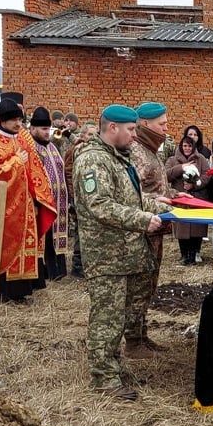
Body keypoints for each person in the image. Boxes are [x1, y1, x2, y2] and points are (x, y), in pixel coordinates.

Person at [73, 105, 172, 401]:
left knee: (119, 316)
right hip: (106, 255)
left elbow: (136, 199)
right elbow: (100, 205)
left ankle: (113, 367)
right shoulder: (93, 160)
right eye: (130, 130)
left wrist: (169, 209)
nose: (134, 135)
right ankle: (103, 378)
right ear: (112, 128)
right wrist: (143, 220)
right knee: (107, 318)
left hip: (125, 252)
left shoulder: (117, 158)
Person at [0, 99, 56, 303]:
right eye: (14, 120)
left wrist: (40, 196)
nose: (18, 124)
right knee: (4, 244)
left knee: (26, 244)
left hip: (26, 203)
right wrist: (16, 162)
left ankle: (23, 290)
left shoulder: (21, 137)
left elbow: (33, 166)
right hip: (2, 207)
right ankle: (5, 291)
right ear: (2, 120)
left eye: (20, 120)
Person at [127, 101, 175, 355]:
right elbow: (133, 193)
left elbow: (158, 189)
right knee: (139, 285)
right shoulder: (137, 152)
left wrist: (178, 197)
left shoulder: (152, 149)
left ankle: (142, 335)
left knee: (150, 285)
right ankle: (133, 341)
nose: (166, 128)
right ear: (145, 124)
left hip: (155, 229)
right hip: (142, 230)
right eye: (162, 124)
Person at [29, 107, 69, 280]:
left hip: (59, 202)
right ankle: (45, 272)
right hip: (41, 203)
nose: (47, 133)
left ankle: (57, 271)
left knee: (56, 236)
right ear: (32, 129)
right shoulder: (30, 148)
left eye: (48, 129)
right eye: (43, 129)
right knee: (44, 237)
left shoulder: (52, 146)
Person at [165, 136, 213, 265]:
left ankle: (195, 253)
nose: (187, 148)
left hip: (197, 199)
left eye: (190, 146)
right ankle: (184, 254)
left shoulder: (201, 159)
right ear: (181, 146)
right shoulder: (172, 160)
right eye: (185, 146)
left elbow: (207, 175)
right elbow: (166, 175)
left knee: (197, 227)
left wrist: (194, 184)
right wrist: (181, 167)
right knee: (182, 228)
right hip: (180, 200)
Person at [64, 122, 97, 278]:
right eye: (89, 134)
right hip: (78, 197)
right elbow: (69, 174)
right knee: (79, 232)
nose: (92, 137)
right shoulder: (75, 151)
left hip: (91, 198)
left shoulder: (96, 152)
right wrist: (72, 197)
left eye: (95, 134)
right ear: (82, 136)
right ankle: (77, 267)